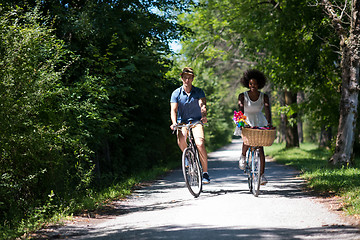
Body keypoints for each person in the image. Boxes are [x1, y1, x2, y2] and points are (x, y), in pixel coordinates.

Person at [170, 67, 210, 184]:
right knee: (181, 140)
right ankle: (187, 156)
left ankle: (205, 173)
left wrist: (203, 115)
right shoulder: (176, 93)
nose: (187, 80)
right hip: (182, 122)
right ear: (182, 78)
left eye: (190, 78)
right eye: (185, 77)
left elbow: (202, 105)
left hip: (196, 122)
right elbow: (174, 110)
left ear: (193, 79)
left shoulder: (198, 91)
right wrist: (174, 122)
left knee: (200, 143)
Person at [238, 69, 272, 185]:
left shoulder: (264, 96)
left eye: (255, 84)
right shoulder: (242, 96)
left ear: (259, 84)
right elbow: (241, 109)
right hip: (246, 119)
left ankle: (261, 175)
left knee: (260, 148)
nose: (253, 86)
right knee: (247, 140)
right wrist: (242, 122)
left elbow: (267, 110)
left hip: (259, 120)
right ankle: (243, 156)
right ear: (248, 84)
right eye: (250, 84)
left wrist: (269, 123)